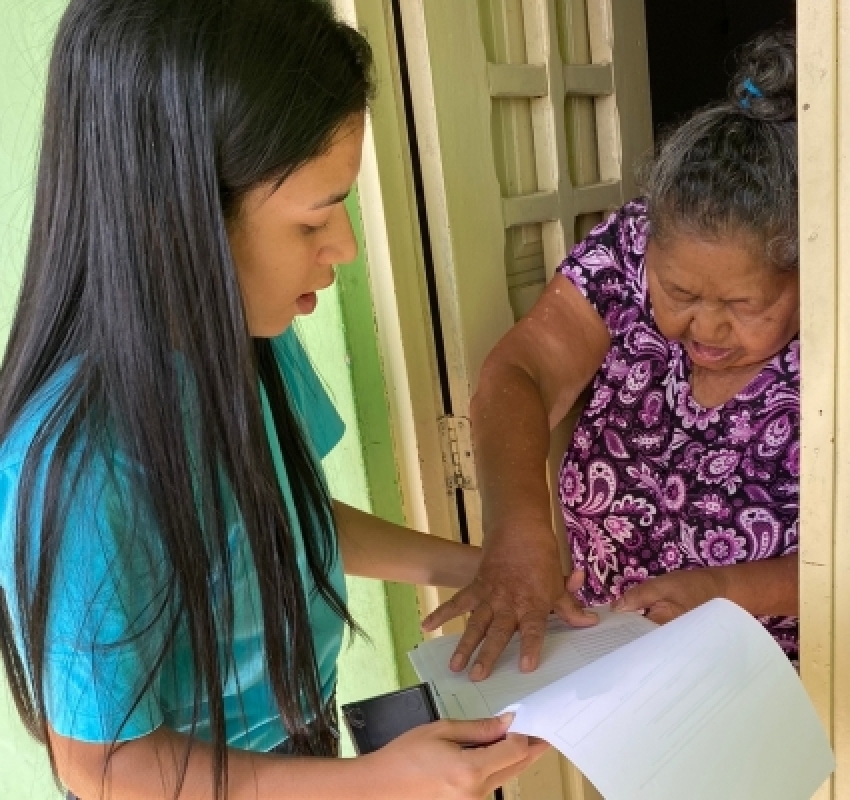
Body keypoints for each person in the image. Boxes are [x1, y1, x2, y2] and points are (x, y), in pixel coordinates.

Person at [0, 1, 548, 798]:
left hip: (300, 748)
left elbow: (288, 516)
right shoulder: (81, 465)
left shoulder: (246, 333)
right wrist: (376, 785)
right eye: (314, 221)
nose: (346, 249)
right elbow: (104, 768)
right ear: (174, 220)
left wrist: (488, 570)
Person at [424, 31, 802, 680]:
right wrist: (518, 525)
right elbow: (522, 370)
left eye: (743, 306)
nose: (705, 326)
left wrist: (726, 590)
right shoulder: (628, 246)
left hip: (780, 688)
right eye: (678, 292)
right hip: (616, 668)